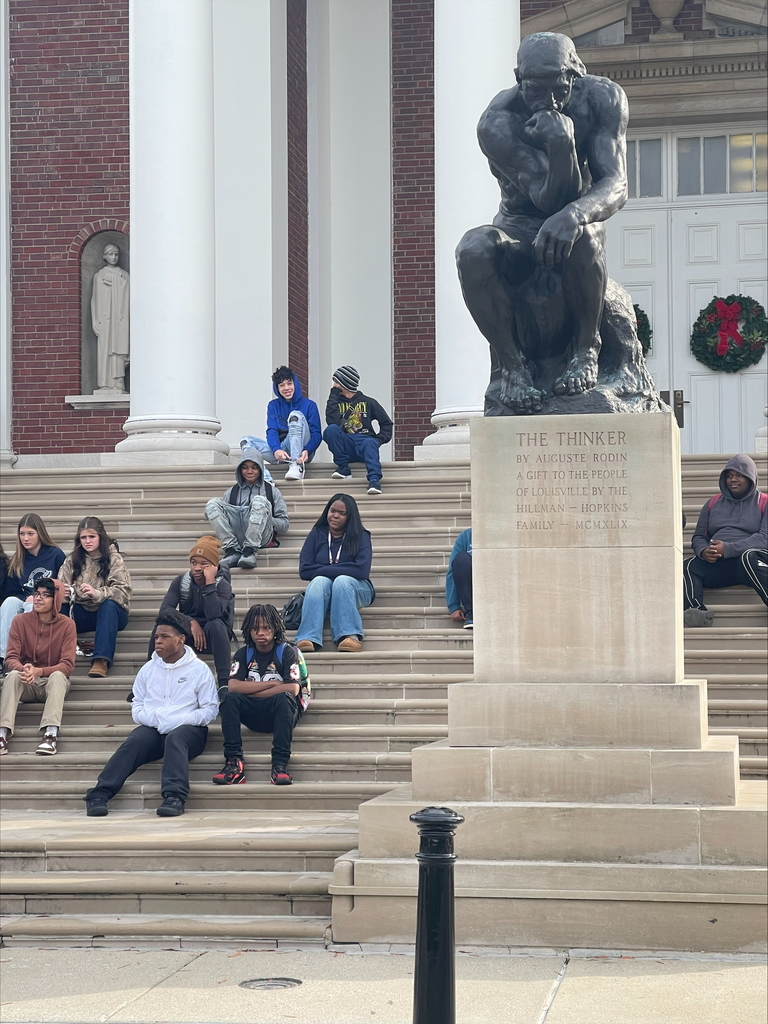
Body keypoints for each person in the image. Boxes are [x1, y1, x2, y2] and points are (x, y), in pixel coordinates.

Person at [456, 32, 629, 413]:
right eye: (536, 90)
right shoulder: (497, 122)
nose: (549, 102)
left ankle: (586, 351)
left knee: (583, 234)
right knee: (473, 248)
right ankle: (513, 368)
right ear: (519, 79)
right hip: (519, 227)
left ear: (575, 74)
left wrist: (575, 214)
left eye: (558, 88)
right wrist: (561, 144)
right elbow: (546, 198)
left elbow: (616, 184)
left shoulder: (603, 98)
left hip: (574, 221)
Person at [84, 611, 218, 817]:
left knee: (176, 738)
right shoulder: (148, 669)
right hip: (154, 728)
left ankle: (175, 797)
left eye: (165, 637)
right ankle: (98, 794)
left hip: (190, 732)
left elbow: (210, 710)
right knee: (136, 740)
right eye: (156, 637)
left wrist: (179, 720)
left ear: (181, 639)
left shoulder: (199, 670)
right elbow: (137, 705)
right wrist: (155, 719)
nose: (158, 641)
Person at [213, 604, 310, 787]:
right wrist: (273, 684)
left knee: (284, 699)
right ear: (248, 629)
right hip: (254, 714)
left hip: (281, 713)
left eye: (266, 628)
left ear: (275, 629)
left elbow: (292, 690)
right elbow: (233, 686)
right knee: (229, 700)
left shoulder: (286, 652)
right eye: (255, 628)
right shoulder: (244, 654)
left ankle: (280, 764)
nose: (261, 633)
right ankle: (234, 763)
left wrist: (251, 688)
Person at [683, 455, 767, 626]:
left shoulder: (764, 502)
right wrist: (704, 551)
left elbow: (764, 538)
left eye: (739, 475)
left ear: (750, 477)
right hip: (720, 565)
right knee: (688, 565)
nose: (733, 479)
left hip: (751, 564)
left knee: (748, 557)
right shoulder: (712, 503)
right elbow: (699, 537)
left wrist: (729, 548)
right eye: (729, 475)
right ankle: (697, 613)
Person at [0, 578, 77, 756]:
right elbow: (11, 657)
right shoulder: (20, 621)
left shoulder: (67, 625)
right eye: (36, 594)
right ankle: (2, 733)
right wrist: (24, 670)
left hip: (52, 684)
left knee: (58, 675)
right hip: (28, 682)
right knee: (11, 675)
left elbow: (67, 665)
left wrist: (40, 671)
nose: (38, 599)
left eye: (46, 595)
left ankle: (50, 734)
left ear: (56, 599)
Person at [150, 536, 233, 690]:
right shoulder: (181, 582)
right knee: (161, 626)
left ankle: (224, 683)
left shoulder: (223, 586)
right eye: (194, 563)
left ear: (214, 566)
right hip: (188, 635)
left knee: (216, 624)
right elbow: (165, 610)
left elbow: (213, 614)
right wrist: (190, 622)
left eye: (204, 564)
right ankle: (150, 677)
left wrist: (209, 583)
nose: (196, 568)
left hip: (213, 638)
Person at [294, 493, 374, 653]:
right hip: (325, 589)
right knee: (319, 581)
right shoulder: (317, 533)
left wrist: (322, 569)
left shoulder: (361, 536)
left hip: (358, 588)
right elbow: (304, 570)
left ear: (350, 517)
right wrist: (343, 567)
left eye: (342, 513)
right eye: (332, 510)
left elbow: (362, 570)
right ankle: (308, 637)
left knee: (342, 581)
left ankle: (350, 635)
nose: (335, 516)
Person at [58, 517, 131, 678]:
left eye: (92, 537)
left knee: (109, 605)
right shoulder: (72, 560)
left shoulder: (114, 558)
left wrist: (97, 593)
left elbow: (122, 591)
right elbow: (61, 587)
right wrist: (68, 593)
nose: (87, 541)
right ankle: (57, 657)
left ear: (100, 537)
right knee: (59, 608)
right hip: (83, 611)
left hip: (112, 614)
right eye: (83, 537)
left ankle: (101, 660)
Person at [0, 514, 66, 676]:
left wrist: (39, 597)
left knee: (32, 603)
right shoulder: (18, 560)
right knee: (9, 602)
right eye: (22, 534)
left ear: (40, 533)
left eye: (30, 533)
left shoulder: (55, 555)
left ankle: (28, 660)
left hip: (51, 604)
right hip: (27, 602)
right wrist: (27, 598)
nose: (25, 538)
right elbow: (13, 592)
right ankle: (3, 658)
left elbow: (63, 585)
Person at [204, 446, 289, 570]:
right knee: (212, 503)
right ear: (240, 469)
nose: (249, 471)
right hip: (236, 536)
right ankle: (232, 551)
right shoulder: (231, 492)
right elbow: (219, 516)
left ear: (260, 468)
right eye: (245, 467)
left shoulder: (272, 491)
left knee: (258, 501)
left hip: (261, 537)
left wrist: (264, 517)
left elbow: (284, 525)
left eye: (254, 467)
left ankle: (249, 551)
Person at [240, 365, 322, 482]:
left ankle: (295, 466)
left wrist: (308, 450)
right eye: (281, 385)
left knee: (295, 416)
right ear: (277, 388)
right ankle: (266, 478)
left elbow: (317, 434)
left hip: (302, 451)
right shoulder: (273, 405)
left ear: (296, 384)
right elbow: (272, 430)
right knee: (246, 441)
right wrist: (276, 449)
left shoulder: (309, 405)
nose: (286, 388)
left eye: (289, 383)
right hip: (282, 450)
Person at [323, 365, 392, 495]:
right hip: (346, 444)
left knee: (370, 442)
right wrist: (333, 397)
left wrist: (378, 440)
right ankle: (343, 468)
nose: (334, 385)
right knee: (330, 430)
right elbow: (332, 422)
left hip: (365, 444)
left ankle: (374, 480)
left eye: (336, 382)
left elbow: (386, 424)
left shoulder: (369, 402)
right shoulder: (335, 402)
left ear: (345, 383)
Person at [91, 242, 130, 392]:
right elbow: (94, 300)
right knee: (104, 349)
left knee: (118, 350)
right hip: (104, 320)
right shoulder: (99, 276)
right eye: (111, 254)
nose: (114, 257)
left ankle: (118, 382)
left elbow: (129, 295)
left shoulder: (123, 275)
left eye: (116, 254)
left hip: (119, 320)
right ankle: (105, 384)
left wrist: (117, 282)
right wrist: (95, 320)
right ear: (104, 256)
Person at [446, 528, 473, 630]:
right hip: (474, 590)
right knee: (461, 558)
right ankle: (471, 613)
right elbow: (453, 570)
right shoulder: (466, 536)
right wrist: (454, 606)